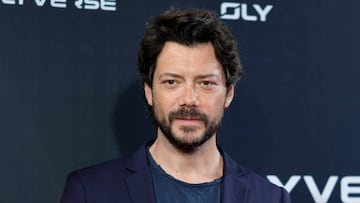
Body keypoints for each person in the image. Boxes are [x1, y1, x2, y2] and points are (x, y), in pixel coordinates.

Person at [60, 8, 291, 203]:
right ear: (149, 91)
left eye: (206, 83)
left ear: (228, 93)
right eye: (172, 82)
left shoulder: (271, 198)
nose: (189, 99)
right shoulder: (90, 192)